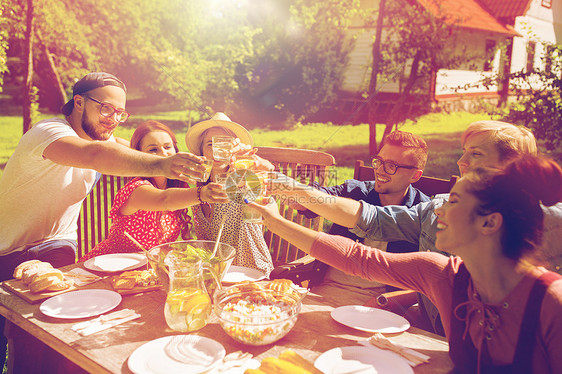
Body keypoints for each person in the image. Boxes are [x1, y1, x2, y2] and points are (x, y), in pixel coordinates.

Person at [250, 155, 562, 373]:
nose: (438, 211)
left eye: (452, 202)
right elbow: (357, 258)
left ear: (490, 223)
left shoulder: (551, 302)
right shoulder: (443, 275)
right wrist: (274, 221)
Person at [268, 120, 562, 334]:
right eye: (379, 162)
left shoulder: (547, 279)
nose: (461, 162)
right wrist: (275, 192)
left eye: (476, 154)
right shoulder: (440, 261)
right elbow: (363, 235)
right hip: (433, 333)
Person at [0, 72, 205, 372]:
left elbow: (129, 149)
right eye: (106, 108)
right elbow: (96, 155)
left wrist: (196, 162)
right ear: (79, 102)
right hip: (7, 248)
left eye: (120, 112)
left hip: (58, 246)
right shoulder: (48, 132)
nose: (113, 119)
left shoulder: (102, 138)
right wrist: (162, 164)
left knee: (46, 338)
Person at [276, 131, 430, 293]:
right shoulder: (355, 191)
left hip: (382, 302)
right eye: (379, 161)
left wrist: (387, 302)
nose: (380, 170)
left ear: (415, 175)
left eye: (392, 166)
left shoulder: (422, 213)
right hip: (328, 288)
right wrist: (288, 191)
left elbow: (427, 277)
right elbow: (319, 197)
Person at [79, 120, 228, 261]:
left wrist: (239, 162)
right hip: (106, 269)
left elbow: (220, 174)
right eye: (153, 150)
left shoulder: (178, 185)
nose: (163, 154)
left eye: (167, 147)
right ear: (140, 156)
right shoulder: (137, 189)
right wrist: (202, 194)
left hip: (146, 274)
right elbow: (165, 200)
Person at [185, 112, 275, 276]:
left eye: (224, 144)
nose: (218, 150)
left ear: (234, 149)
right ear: (202, 152)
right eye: (210, 145)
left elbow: (267, 172)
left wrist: (256, 162)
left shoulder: (241, 179)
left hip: (252, 272)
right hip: (215, 273)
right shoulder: (198, 188)